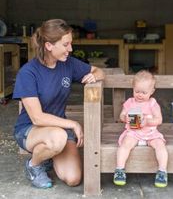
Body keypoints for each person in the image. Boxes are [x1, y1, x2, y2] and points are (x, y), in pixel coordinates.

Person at [13, 19, 105, 189]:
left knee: (73, 178)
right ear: (49, 46)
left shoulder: (68, 63)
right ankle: (34, 164)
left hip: (58, 129)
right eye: (65, 44)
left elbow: (98, 71)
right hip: (30, 130)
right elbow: (37, 118)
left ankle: (48, 156)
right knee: (58, 137)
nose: (70, 49)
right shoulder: (28, 73)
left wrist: (95, 77)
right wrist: (73, 124)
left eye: (70, 43)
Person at [113, 70, 168, 188]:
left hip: (151, 133)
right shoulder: (130, 102)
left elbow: (159, 120)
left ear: (152, 91)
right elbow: (122, 116)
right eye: (137, 91)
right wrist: (125, 118)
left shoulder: (152, 104)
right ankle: (119, 169)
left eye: (144, 92)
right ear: (133, 88)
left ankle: (162, 171)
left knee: (160, 146)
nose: (139, 95)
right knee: (125, 144)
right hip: (133, 133)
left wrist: (148, 121)